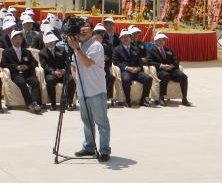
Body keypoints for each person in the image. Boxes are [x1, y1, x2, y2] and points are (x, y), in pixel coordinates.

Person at [67, 20, 110, 162]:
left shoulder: (96, 46)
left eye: (86, 28)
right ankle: (89, 147)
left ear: (92, 31)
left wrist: (76, 48)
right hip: (82, 90)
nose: (83, 30)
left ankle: (104, 150)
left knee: (101, 122)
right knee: (86, 121)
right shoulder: (77, 46)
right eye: (81, 28)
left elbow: (87, 62)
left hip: (96, 89)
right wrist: (77, 80)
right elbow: (73, 66)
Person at [1, 29, 44, 113]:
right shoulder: (6, 52)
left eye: (19, 39)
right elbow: (3, 64)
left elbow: (34, 62)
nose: (18, 41)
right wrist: (16, 67)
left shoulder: (26, 51)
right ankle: (30, 103)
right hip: (16, 74)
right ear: (12, 40)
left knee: (35, 81)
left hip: (27, 73)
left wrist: (27, 66)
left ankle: (36, 103)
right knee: (21, 82)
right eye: (16, 39)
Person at [113, 28, 156, 107]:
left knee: (148, 79)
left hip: (136, 71)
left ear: (130, 38)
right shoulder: (116, 49)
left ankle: (143, 99)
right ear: (121, 39)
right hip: (125, 71)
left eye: (128, 37)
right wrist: (127, 68)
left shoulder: (135, 49)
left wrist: (139, 68)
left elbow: (140, 61)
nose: (126, 38)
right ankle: (128, 100)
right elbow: (116, 63)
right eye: (124, 37)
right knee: (126, 79)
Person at [146, 32, 192, 106]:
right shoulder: (151, 50)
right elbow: (149, 61)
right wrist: (161, 65)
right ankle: (161, 97)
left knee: (183, 76)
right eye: (159, 40)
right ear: (155, 41)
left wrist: (173, 65)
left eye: (163, 40)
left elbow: (176, 59)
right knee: (165, 75)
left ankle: (184, 98)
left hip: (171, 70)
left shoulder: (168, 49)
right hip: (160, 70)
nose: (161, 42)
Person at [39, 32, 74, 111]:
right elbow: (44, 65)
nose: (51, 43)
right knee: (50, 81)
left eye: (52, 41)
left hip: (62, 72)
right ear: (46, 43)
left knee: (71, 80)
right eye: (49, 42)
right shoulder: (42, 52)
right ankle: (53, 104)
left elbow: (67, 62)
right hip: (51, 73)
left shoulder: (61, 49)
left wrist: (64, 70)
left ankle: (69, 102)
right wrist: (54, 72)